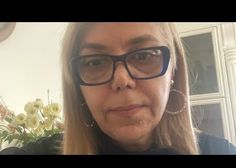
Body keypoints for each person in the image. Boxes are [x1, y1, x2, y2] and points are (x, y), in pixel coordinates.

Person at [1, 22, 236, 155]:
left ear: (173, 69)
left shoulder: (220, 151)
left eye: (144, 55)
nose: (122, 80)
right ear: (77, 84)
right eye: (95, 62)